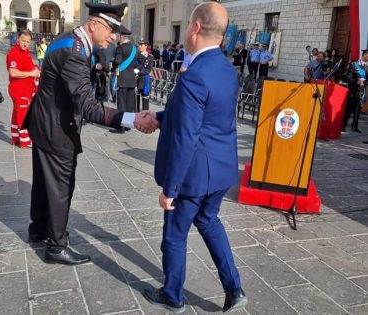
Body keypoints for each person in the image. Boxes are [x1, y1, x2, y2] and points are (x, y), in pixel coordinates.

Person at [24, 2, 159, 265]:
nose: (112, 37)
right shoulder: (75, 53)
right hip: (57, 130)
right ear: (94, 24)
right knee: (61, 187)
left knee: (43, 183)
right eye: (110, 30)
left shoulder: (67, 39)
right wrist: (129, 118)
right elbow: (87, 105)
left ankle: (39, 230)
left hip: (43, 123)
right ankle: (56, 245)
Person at [142, 2, 246, 313]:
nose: (187, 30)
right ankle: (234, 288)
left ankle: (173, 294)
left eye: (188, 25)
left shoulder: (194, 74)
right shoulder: (227, 69)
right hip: (221, 170)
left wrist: (170, 190)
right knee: (209, 221)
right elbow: (206, 115)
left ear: (196, 28)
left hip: (193, 175)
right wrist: (160, 116)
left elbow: (186, 137)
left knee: (174, 235)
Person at [6, 30, 40, 148]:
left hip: (26, 87)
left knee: (17, 114)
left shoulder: (25, 52)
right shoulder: (14, 53)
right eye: (23, 41)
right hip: (19, 88)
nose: (25, 44)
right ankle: (25, 141)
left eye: (28, 42)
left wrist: (34, 69)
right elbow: (13, 72)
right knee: (23, 114)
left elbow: (27, 66)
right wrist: (32, 73)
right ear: (17, 40)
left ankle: (16, 138)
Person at [110, 29, 137, 133]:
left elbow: (117, 61)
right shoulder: (135, 48)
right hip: (131, 79)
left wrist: (112, 64)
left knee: (121, 103)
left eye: (118, 35)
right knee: (129, 103)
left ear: (122, 37)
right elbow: (140, 60)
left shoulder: (120, 47)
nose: (117, 37)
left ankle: (120, 127)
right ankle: (128, 125)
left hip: (122, 78)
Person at [342, 49, 368, 133]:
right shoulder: (354, 64)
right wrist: (356, 82)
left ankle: (355, 126)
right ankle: (343, 125)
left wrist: (364, 82)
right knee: (348, 109)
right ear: (363, 55)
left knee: (358, 110)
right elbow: (346, 77)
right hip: (353, 91)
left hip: (362, 91)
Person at [135, 39, 154, 111]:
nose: (139, 46)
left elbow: (148, 69)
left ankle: (145, 116)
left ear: (146, 46)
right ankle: (136, 115)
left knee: (145, 100)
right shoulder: (136, 55)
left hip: (144, 80)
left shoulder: (150, 57)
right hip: (135, 80)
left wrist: (138, 72)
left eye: (141, 45)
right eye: (139, 44)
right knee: (135, 100)